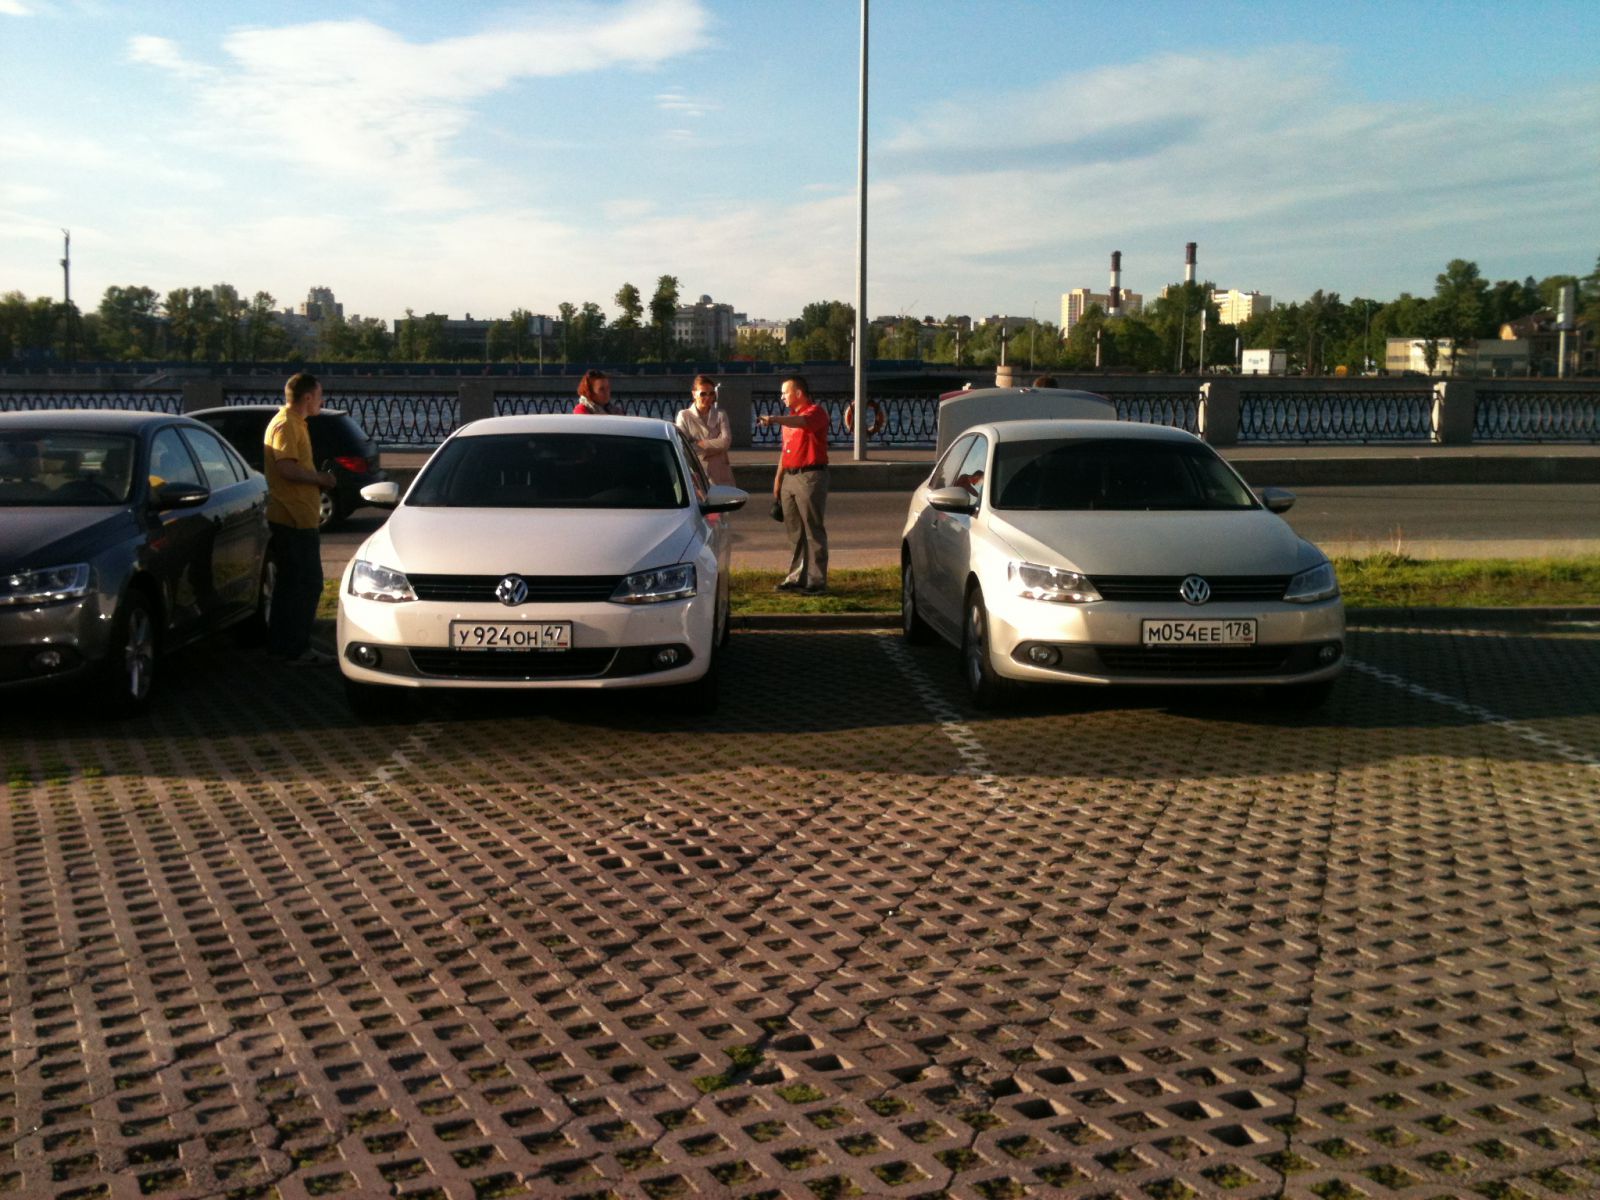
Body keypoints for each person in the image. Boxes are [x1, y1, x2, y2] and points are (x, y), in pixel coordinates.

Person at [264, 372, 337, 666]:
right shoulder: (286, 425)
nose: (322, 401)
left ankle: (283, 646)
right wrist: (320, 478)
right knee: (307, 584)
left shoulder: (295, 423)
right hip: (292, 518)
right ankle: (296, 648)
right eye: (319, 396)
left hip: (298, 517)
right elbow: (286, 468)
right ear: (308, 397)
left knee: (290, 584)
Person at [757, 374, 829, 594]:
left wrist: (774, 419)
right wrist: (778, 478)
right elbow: (785, 451)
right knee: (795, 531)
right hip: (789, 476)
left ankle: (816, 581)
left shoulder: (816, 412)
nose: (782, 397)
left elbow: (804, 423)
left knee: (812, 529)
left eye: (785, 393)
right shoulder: (789, 419)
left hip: (809, 476)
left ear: (798, 393)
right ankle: (796, 577)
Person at [675, 374, 734, 486]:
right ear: (694, 394)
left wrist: (700, 444)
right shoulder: (684, 416)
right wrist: (715, 445)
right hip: (697, 471)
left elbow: (726, 442)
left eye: (711, 393)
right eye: (703, 394)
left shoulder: (721, 415)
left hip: (720, 472)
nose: (708, 397)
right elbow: (684, 446)